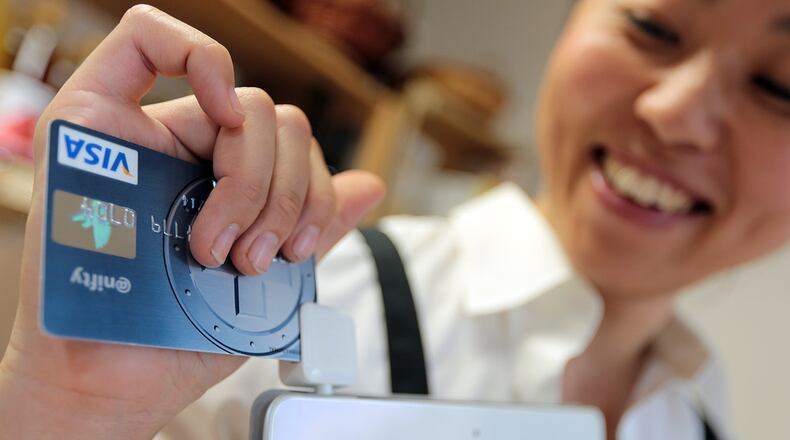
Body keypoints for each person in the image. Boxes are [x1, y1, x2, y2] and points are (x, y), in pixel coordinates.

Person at [2, 0, 789, 438]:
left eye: (780, 86)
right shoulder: (290, 300)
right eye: (653, 27)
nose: (675, 112)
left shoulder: (697, 407)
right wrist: (69, 414)